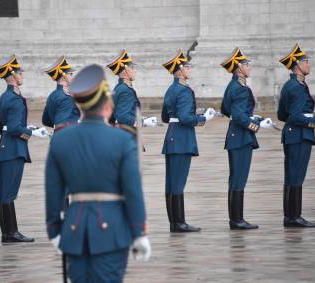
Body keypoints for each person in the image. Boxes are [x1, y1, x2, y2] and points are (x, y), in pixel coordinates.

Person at [45, 64, 151, 283]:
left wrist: (55, 231)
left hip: (74, 232)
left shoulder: (61, 140)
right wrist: (139, 232)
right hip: (112, 232)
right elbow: (133, 191)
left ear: (79, 105)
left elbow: (53, 192)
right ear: (107, 104)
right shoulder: (122, 139)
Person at [0, 54, 48, 242]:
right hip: (14, 150)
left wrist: (25, 129)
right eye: (20, 72)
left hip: (5, 148)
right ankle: (11, 233)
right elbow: (15, 127)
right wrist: (30, 132)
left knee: (4, 193)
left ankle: (7, 233)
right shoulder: (15, 99)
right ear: (13, 76)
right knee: (8, 193)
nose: (22, 75)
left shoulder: (3, 97)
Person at [161, 49, 215, 232]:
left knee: (171, 183)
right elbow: (185, 118)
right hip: (182, 139)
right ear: (180, 70)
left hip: (172, 136)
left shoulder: (170, 89)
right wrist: (202, 118)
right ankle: (179, 223)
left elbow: (166, 117)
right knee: (178, 183)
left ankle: (174, 223)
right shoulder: (183, 91)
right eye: (187, 67)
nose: (189, 70)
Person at [220, 47, 274, 230]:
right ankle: (237, 220)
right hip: (241, 137)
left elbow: (226, 110)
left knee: (236, 178)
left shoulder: (232, 85)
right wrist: (256, 125)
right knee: (239, 178)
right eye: (246, 65)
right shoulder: (240, 88)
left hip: (235, 135)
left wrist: (251, 117)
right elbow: (237, 114)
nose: (249, 67)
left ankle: (235, 218)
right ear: (238, 68)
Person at [278, 44, 315, 228]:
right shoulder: (297, 87)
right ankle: (294, 217)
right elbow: (294, 115)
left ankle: (290, 216)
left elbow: (281, 115)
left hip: (292, 134)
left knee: (292, 176)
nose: (308, 65)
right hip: (299, 135)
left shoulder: (290, 85)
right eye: (306, 62)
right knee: (296, 176)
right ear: (297, 65)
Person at [42, 56, 80, 132]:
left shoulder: (52, 95)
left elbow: (46, 120)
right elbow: (61, 125)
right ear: (63, 78)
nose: (73, 76)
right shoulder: (66, 97)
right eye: (71, 74)